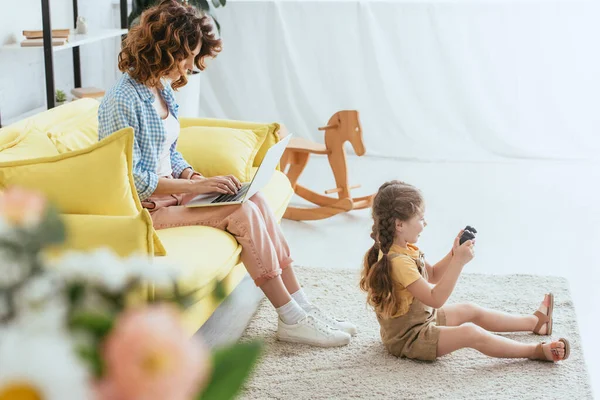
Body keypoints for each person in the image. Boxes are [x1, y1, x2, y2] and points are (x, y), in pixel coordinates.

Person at [98, 0, 356, 347]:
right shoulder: (121, 100)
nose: (189, 66)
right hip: (147, 209)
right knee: (240, 210)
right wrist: (200, 184)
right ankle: (291, 318)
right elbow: (133, 181)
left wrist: (191, 175)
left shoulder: (160, 89)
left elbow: (170, 152)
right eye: (185, 55)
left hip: (174, 194)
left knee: (255, 198)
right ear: (162, 47)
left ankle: (304, 307)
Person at [360, 180, 570, 362]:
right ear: (399, 225)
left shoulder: (401, 247)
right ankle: (535, 351)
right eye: (421, 218)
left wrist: (453, 253)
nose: (425, 223)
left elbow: (431, 274)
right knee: (470, 333)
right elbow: (435, 298)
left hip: (421, 320)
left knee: (470, 310)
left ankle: (536, 323)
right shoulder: (399, 262)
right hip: (411, 338)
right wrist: (459, 263)